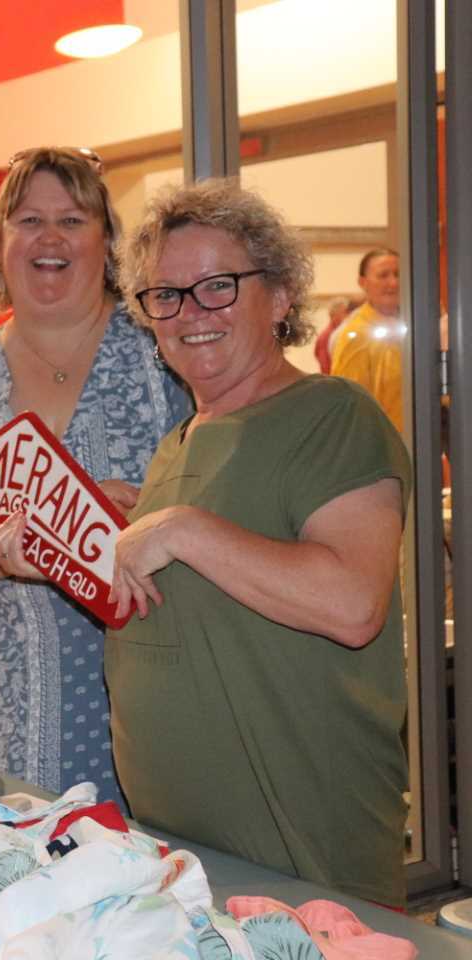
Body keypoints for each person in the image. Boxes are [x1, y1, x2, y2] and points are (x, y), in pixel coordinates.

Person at [103, 180, 409, 906]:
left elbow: (351, 601)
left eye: (217, 286)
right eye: (165, 295)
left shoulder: (333, 415)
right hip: (185, 865)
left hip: (304, 859)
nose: (189, 313)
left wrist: (179, 526)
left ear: (278, 298)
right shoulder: (176, 445)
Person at [0, 146, 191, 810]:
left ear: (107, 241)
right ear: (0, 244)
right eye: (29, 219)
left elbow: (227, 497)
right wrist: (14, 555)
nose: (51, 238)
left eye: (73, 218)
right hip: (20, 704)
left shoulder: (169, 359)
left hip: (162, 694)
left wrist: (142, 514)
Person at [330, 248, 404, 430]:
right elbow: (350, 404)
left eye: (398, 274)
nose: (393, 283)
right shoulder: (355, 335)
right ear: (363, 282)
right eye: (383, 275)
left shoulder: (418, 324)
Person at [311, 294, 353, 374]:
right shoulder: (326, 337)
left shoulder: (347, 332)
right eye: (344, 312)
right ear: (333, 315)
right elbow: (326, 367)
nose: (348, 316)